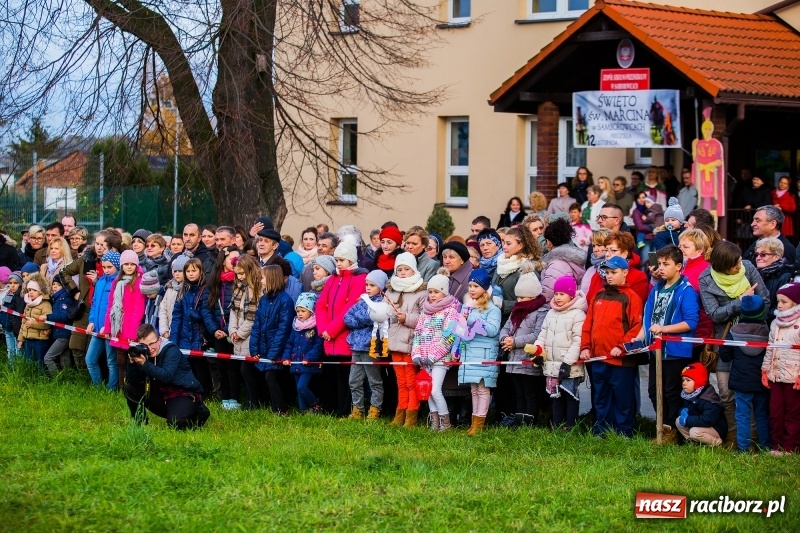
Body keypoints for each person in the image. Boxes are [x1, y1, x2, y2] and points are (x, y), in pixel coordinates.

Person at [699, 240, 769, 445]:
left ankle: (754, 438)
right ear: (721, 265)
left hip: (755, 337)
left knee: (754, 393)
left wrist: (750, 308)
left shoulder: (748, 267)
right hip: (726, 341)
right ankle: (734, 436)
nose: (739, 266)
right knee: (726, 393)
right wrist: (740, 302)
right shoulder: (706, 279)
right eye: (734, 264)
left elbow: (765, 300)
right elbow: (714, 314)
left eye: (739, 261)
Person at [638, 245, 700, 444]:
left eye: (666, 264)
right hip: (656, 351)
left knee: (672, 392)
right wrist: (638, 337)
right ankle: (662, 427)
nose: (661, 268)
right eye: (659, 264)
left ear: (679, 266)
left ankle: (674, 431)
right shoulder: (656, 289)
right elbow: (648, 319)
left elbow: (690, 322)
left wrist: (664, 329)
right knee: (654, 392)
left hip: (675, 352)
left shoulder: (686, 290)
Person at [580, 256, 643, 437]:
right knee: (601, 397)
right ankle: (602, 431)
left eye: (613, 272)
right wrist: (585, 347)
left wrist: (622, 347)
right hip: (598, 358)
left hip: (620, 361)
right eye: (607, 272)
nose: (609, 276)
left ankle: (624, 432)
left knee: (623, 399)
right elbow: (588, 325)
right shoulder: (598, 296)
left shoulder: (631, 298)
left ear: (625, 273)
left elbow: (636, 327)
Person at [316, 242, 368, 417]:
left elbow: (350, 308)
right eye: (336, 259)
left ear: (351, 260)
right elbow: (321, 304)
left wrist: (332, 330)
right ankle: (329, 407)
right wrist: (323, 329)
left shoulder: (359, 279)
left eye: (342, 260)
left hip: (343, 336)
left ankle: (344, 410)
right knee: (330, 375)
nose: (338, 263)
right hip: (328, 337)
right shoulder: (332, 278)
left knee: (345, 377)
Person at [125, 324, 210, 430]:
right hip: (162, 395)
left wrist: (145, 364)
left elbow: (166, 376)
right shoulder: (143, 353)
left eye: (152, 343)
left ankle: (199, 412)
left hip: (182, 393)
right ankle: (140, 423)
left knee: (176, 423)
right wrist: (132, 364)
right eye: (145, 345)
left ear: (160, 340)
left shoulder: (171, 350)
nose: (150, 349)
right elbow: (134, 380)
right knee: (131, 388)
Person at [528, 276, 587, 429]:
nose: (558, 297)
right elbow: (542, 334)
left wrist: (567, 362)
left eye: (562, 294)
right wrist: (538, 352)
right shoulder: (551, 313)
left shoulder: (578, 314)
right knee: (555, 396)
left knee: (569, 395)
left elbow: (578, 341)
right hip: (551, 365)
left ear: (571, 295)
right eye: (556, 294)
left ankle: (570, 425)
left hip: (569, 365)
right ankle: (557, 424)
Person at [498, 265, 549, 428]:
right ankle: (520, 422)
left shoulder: (541, 312)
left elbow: (536, 335)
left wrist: (515, 342)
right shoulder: (516, 311)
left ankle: (530, 422)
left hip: (528, 360)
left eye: (523, 298)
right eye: (518, 297)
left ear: (532, 296)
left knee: (529, 393)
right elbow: (506, 328)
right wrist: (505, 338)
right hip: (514, 361)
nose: (519, 301)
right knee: (518, 393)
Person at [719, 295, 771, 452]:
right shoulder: (769, 333)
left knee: (742, 415)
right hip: (762, 381)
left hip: (741, 382)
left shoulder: (734, 332)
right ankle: (765, 446)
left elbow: (725, 356)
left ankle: (743, 448)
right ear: (762, 313)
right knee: (762, 414)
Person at [451, 269, 499, 436]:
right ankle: (474, 423)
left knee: (483, 389)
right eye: (470, 285)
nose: (471, 289)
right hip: (468, 352)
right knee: (473, 389)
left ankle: (480, 423)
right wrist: (456, 348)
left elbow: (493, 330)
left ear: (485, 289)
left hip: (484, 354)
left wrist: (472, 320)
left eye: (476, 286)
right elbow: (460, 329)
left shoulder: (493, 309)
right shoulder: (466, 307)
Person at [411, 270, 460, 432]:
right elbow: (417, 334)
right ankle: (434, 422)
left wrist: (434, 355)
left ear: (444, 292)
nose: (432, 295)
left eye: (436, 292)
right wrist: (416, 354)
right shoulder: (425, 312)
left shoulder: (450, 311)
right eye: (430, 292)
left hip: (439, 359)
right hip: (425, 359)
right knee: (428, 390)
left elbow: (449, 338)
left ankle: (445, 423)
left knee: (435, 389)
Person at [384, 252, 427, 428]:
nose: (402, 272)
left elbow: (425, 319)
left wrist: (406, 318)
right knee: (400, 382)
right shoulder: (391, 289)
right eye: (399, 269)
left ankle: (411, 416)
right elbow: (384, 313)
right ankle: (399, 413)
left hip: (410, 342)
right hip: (394, 342)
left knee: (410, 381)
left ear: (413, 270)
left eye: (406, 269)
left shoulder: (421, 292)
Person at [247, 265, 294, 414]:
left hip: (278, 350)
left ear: (271, 279)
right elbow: (257, 325)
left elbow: (283, 330)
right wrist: (254, 349)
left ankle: (280, 409)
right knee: (246, 368)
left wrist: (273, 354)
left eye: (263, 278)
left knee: (271, 376)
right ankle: (256, 402)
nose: (261, 281)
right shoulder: (264, 299)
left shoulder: (286, 301)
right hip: (263, 347)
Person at [343, 270, 388, 420]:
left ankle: (375, 409)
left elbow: (374, 317)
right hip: (356, 346)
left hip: (371, 347)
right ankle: (357, 410)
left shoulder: (382, 303)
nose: (368, 288)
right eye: (366, 284)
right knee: (354, 380)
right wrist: (363, 318)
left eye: (372, 285)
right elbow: (347, 317)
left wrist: (362, 318)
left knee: (374, 380)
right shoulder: (361, 300)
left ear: (380, 287)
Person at [763, 283, 800, 455]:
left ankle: (791, 446)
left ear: (795, 302)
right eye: (778, 301)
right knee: (776, 412)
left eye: (784, 302)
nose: (779, 305)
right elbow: (770, 347)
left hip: (794, 378)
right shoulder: (775, 323)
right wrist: (765, 370)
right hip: (775, 375)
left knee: (792, 414)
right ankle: (776, 445)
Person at [203, 245, 241, 409]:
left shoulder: (240, 282)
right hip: (217, 331)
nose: (235, 262)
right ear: (223, 260)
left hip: (234, 330)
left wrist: (227, 330)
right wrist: (214, 329)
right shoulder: (214, 282)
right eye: (232, 258)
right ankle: (225, 398)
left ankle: (235, 398)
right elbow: (206, 308)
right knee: (221, 366)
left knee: (234, 367)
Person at [170, 257, 213, 396]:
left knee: (200, 367)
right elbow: (176, 317)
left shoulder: (205, 290)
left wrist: (197, 314)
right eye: (187, 271)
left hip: (198, 336)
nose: (190, 273)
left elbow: (207, 313)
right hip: (184, 334)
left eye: (194, 271)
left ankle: (204, 393)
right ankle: (191, 392)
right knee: (188, 367)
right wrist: (173, 339)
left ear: (201, 272)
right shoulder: (183, 291)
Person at [104, 249, 146, 389]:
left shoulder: (140, 282)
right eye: (126, 264)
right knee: (120, 360)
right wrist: (109, 327)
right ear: (121, 265)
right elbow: (111, 306)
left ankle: (133, 388)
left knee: (132, 360)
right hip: (118, 327)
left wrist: (133, 333)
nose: (129, 267)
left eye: (132, 264)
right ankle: (122, 388)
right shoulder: (117, 282)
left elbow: (138, 310)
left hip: (131, 329)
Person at [227, 254, 261, 409]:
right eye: (237, 274)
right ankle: (248, 400)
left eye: (242, 274)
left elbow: (252, 317)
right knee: (242, 370)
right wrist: (232, 330)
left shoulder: (257, 290)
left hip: (250, 335)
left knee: (247, 369)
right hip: (238, 333)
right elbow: (234, 311)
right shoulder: (238, 289)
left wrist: (240, 333)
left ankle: (253, 401)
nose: (239, 277)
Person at [282, 292, 324, 413]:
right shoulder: (295, 326)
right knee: (298, 388)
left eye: (303, 311)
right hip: (295, 362)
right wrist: (286, 357)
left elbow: (318, 345)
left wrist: (309, 358)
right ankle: (304, 410)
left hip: (308, 364)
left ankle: (315, 405)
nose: (300, 313)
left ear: (311, 311)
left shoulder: (315, 327)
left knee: (302, 386)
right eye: (298, 311)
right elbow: (289, 343)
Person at [491, 226, 542, 320]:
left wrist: (503, 304)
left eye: (508, 244)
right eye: (504, 242)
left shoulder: (527, 269)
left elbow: (529, 303)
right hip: (495, 318)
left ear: (520, 245)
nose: (504, 246)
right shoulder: (501, 262)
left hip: (513, 321)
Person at [85, 252, 119, 388]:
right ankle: (97, 387)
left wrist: (108, 326)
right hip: (98, 328)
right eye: (104, 267)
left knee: (111, 361)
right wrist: (91, 321)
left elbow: (115, 308)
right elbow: (94, 303)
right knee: (90, 359)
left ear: (117, 266)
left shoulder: (118, 283)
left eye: (109, 267)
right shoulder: (100, 281)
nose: (106, 270)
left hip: (109, 330)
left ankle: (112, 388)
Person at [676, 362, 727, 446]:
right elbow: (685, 410)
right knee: (678, 420)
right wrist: (682, 411)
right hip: (698, 425)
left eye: (688, 380)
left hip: (715, 428)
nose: (684, 383)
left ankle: (718, 443)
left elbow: (707, 420)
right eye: (683, 380)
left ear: (699, 381)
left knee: (694, 432)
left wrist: (687, 420)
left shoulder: (709, 398)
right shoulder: (688, 395)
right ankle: (693, 442)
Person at [540, 218, 586, 301]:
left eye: (546, 240)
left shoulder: (556, 265)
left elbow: (546, 296)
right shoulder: (572, 258)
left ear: (549, 242)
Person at [39, 274, 74, 375]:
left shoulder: (64, 298)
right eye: (53, 284)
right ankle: (67, 380)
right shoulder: (57, 298)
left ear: (63, 286)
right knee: (64, 359)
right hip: (60, 333)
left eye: (58, 285)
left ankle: (57, 379)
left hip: (63, 335)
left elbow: (63, 316)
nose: (54, 287)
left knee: (48, 358)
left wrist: (48, 317)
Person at [17, 274, 52, 369]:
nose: (31, 293)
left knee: (40, 363)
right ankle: (32, 380)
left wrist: (33, 323)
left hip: (39, 340)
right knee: (30, 363)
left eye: (34, 290)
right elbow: (23, 323)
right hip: (28, 339)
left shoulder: (45, 305)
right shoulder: (28, 305)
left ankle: (42, 381)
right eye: (29, 290)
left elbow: (48, 324)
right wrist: (21, 339)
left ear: (40, 291)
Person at [754, 237, 792, 321]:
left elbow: (781, 307)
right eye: (756, 254)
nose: (758, 258)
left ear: (776, 256)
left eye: (763, 254)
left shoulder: (785, 276)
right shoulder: (755, 275)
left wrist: (757, 316)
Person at [159, 255, 187, 339]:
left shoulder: (189, 289)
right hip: (169, 332)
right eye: (175, 271)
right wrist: (164, 330)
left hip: (183, 333)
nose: (177, 274)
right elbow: (163, 309)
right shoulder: (170, 289)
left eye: (180, 271)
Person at [1, 272, 24, 365]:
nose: (12, 286)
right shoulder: (7, 295)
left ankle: (20, 367)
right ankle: (12, 368)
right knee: (10, 349)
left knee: (17, 349)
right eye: (10, 283)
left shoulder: (21, 297)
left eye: (15, 283)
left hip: (16, 328)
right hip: (7, 327)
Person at [772, 176, 797, 240]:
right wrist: (773, 206)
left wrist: (781, 206)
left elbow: (793, 208)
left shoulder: (790, 195)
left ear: (788, 185)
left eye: (785, 183)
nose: (782, 184)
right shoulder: (772, 193)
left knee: (783, 240)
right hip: (773, 219)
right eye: (781, 182)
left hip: (785, 220)